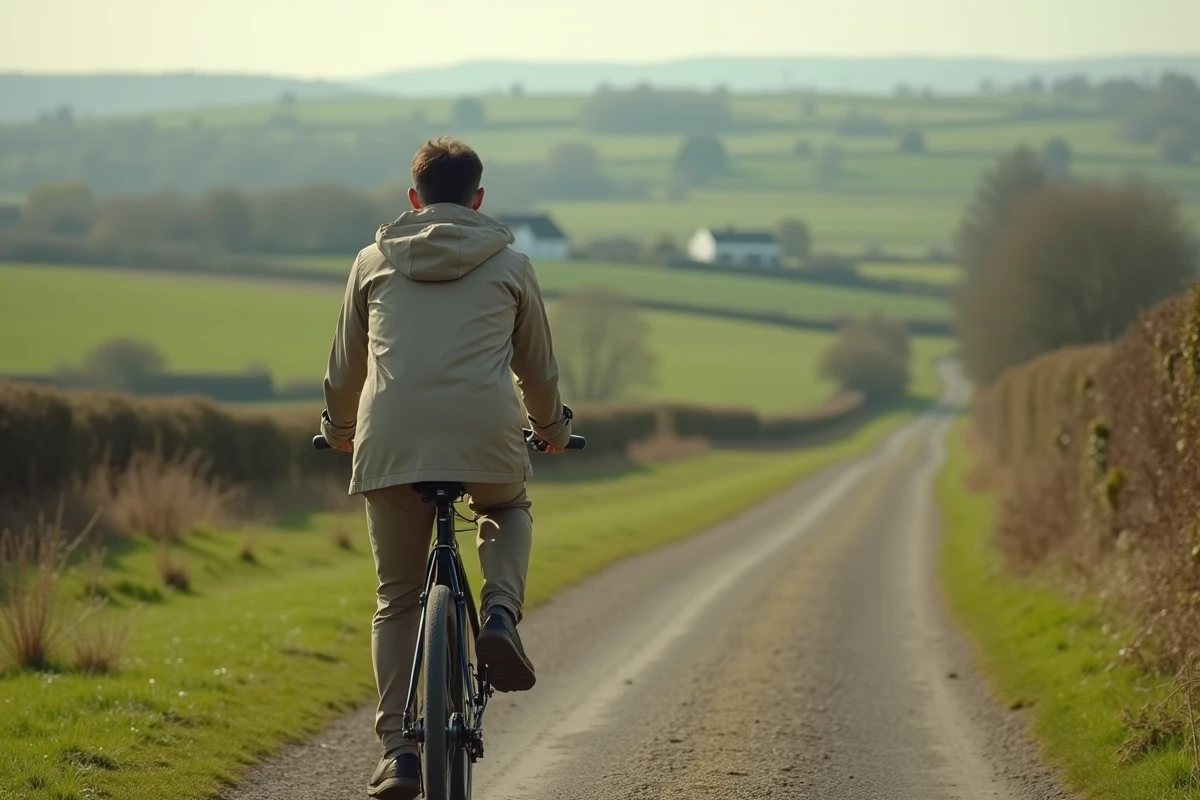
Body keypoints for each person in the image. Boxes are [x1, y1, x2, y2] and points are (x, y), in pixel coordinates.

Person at [319, 136, 574, 800]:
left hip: (391, 442)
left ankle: (399, 751)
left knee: (397, 598)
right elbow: (537, 370)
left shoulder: (371, 262)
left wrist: (338, 432)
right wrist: (551, 430)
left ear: (414, 199)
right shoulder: (512, 265)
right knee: (507, 507)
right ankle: (498, 615)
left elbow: (344, 369)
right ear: (478, 199)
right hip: (484, 435)